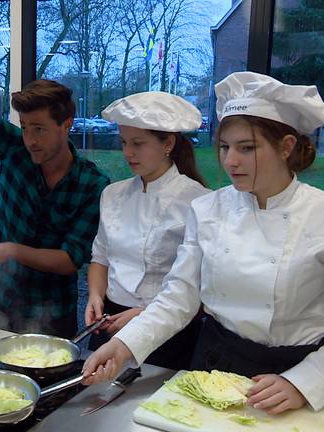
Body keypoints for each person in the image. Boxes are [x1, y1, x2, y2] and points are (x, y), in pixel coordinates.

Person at [82, 71, 324, 415]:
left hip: (296, 374)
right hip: (213, 364)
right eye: (224, 147)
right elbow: (179, 297)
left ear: (287, 146)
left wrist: (304, 382)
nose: (229, 161)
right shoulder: (208, 209)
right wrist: (123, 345)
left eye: (246, 148)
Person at [0, 28, 110, 338]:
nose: (30, 140)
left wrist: (13, 250)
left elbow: (70, 259)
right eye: (25, 127)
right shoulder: (15, 149)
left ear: (66, 125)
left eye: (40, 129)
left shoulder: (92, 185)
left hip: (53, 311)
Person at [85, 92, 211, 370]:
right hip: (109, 322)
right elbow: (101, 258)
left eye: (138, 144)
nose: (127, 153)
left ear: (168, 143)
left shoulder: (199, 202)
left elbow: (200, 291)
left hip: (166, 329)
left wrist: (143, 314)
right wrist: (95, 295)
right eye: (124, 143)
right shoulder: (112, 194)